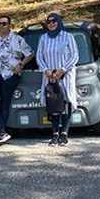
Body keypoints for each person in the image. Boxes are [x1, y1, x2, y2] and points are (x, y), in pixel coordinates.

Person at [0, 15, 34, 147]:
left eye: (4, 23)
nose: (1, 26)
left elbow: (30, 53)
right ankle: (1, 131)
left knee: (4, 104)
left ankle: (0, 133)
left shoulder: (17, 39)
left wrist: (20, 65)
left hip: (10, 75)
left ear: (9, 25)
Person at [36, 12, 79, 147]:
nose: (51, 24)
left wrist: (63, 69)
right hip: (50, 76)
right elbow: (39, 57)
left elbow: (74, 56)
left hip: (65, 75)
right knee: (53, 104)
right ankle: (55, 133)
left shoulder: (68, 37)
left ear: (59, 22)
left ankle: (64, 133)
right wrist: (46, 70)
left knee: (65, 102)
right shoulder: (43, 38)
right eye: (48, 22)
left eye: (54, 21)